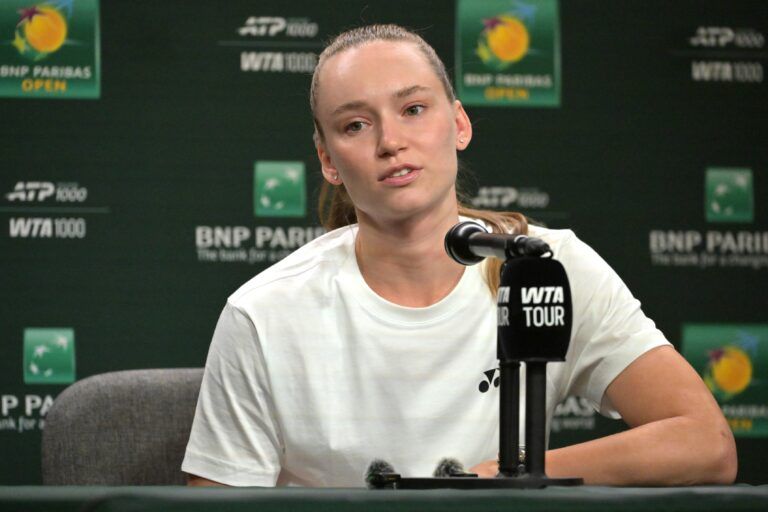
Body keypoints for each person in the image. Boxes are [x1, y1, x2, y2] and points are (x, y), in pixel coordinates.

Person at [183, 24, 736, 487]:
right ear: (329, 160)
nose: (389, 141)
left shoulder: (543, 267)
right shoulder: (263, 313)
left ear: (460, 123)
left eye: (414, 109)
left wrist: (510, 477)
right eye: (356, 124)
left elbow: (706, 443)